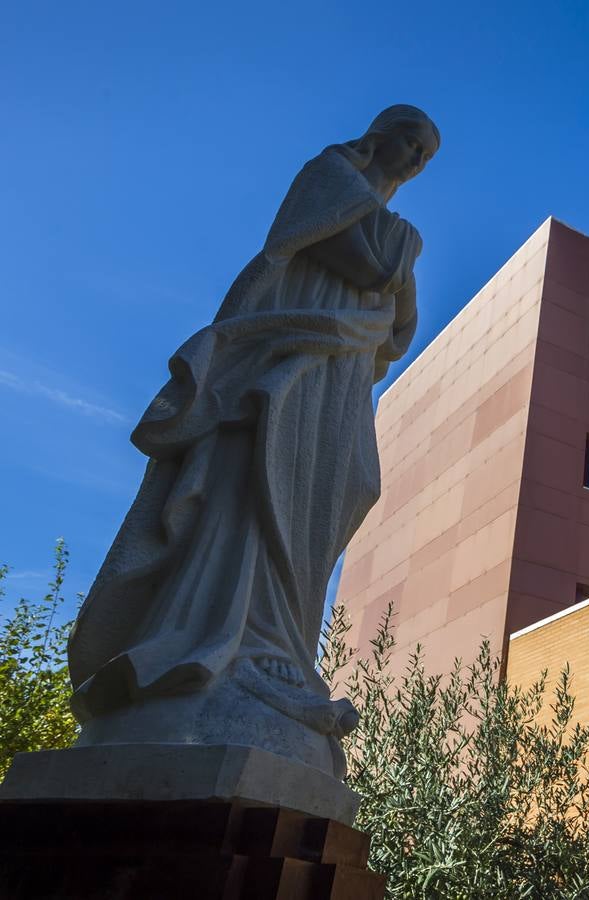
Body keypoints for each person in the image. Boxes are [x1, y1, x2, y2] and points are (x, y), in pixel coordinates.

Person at [66, 105, 439, 777]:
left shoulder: (394, 229)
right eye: (410, 139)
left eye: (426, 154)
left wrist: (393, 261)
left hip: (339, 378)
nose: (414, 157)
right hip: (279, 362)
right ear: (381, 133)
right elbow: (360, 261)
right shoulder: (329, 176)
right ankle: (217, 641)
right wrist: (397, 256)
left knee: (344, 487)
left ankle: (283, 649)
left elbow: (400, 327)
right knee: (249, 489)